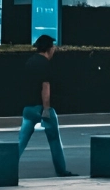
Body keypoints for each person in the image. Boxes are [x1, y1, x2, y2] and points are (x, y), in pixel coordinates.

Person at [18, 34, 75, 176]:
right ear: (49, 48)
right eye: (53, 47)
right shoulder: (45, 64)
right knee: (54, 140)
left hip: (28, 108)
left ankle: (7, 166)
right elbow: (45, 87)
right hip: (41, 107)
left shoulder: (29, 62)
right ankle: (61, 170)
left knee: (21, 142)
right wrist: (46, 108)